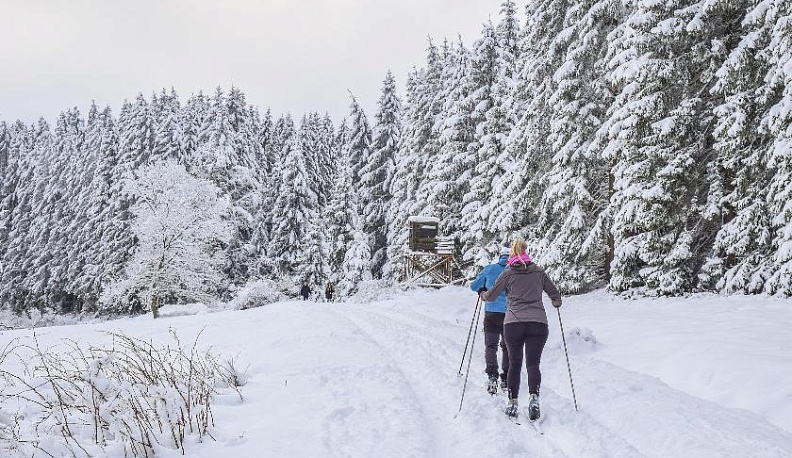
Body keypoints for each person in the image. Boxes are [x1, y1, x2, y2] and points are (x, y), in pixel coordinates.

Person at [479, 237, 562, 421]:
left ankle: (513, 403)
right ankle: (534, 398)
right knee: (533, 364)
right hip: (538, 323)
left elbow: (492, 296)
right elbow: (554, 293)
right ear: (526, 251)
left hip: (513, 323)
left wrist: (483, 294)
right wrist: (556, 302)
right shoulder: (539, 271)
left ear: (512, 254)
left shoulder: (508, 273)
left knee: (515, 364)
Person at [469, 244, 510, 395]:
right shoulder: (515, 271)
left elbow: (474, 286)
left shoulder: (490, 269)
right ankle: (506, 378)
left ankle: (492, 376)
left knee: (490, 346)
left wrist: (482, 290)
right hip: (510, 315)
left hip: (492, 313)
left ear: (500, 256)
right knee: (507, 347)